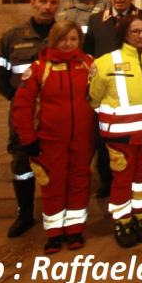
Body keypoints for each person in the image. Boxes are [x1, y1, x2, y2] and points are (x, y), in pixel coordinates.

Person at [11, 20, 95, 254]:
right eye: (62, 39)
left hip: (81, 138)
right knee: (52, 185)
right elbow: (22, 106)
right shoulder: (39, 68)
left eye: (73, 39)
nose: (68, 44)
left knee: (80, 182)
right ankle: (55, 233)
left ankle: (75, 229)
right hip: (50, 140)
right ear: (53, 40)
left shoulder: (89, 64)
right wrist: (28, 138)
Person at [88, 15, 142, 247]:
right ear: (124, 33)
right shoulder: (105, 62)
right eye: (135, 31)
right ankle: (122, 222)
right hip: (121, 137)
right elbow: (93, 98)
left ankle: (140, 219)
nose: (141, 35)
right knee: (123, 180)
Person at [0, 0, 61, 238]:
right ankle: (24, 213)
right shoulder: (13, 37)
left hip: (56, 113)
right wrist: (19, 99)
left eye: (53, 2)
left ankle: (57, 213)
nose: (47, 7)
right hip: (25, 115)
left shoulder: (64, 34)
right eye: (43, 2)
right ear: (33, 2)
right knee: (22, 164)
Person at [83, 0, 142, 199]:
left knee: (134, 142)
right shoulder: (96, 21)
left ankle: (135, 177)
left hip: (136, 89)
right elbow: (88, 52)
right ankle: (106, 180)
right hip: (107, 92)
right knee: (105, 137)